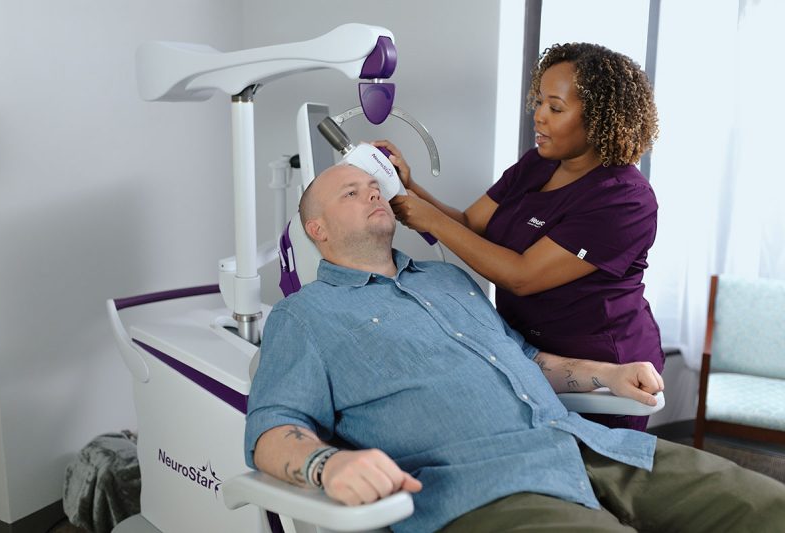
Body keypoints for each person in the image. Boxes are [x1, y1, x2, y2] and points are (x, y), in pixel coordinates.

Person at [245, 164, 785, 533]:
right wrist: (325, 466)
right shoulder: (305, 316)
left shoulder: (448, 281)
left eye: (372, 186)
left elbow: (526, 361)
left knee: (767, 507)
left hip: (588, 449)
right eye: (350, 192)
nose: (371, 192)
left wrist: (605, 376)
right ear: (315, 228)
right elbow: (271, 426)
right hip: (485, 487)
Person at [374, 43, 662, 431]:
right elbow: (471, 223)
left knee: (593, 475)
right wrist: (409, 187)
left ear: (599, 118)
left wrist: (430, 221)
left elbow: (522, 276)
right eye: (539, 102)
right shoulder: (536, 164)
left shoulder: (624, 199)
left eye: (555, 108)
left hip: (605, 366)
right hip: (526, 352)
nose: (539, 117)